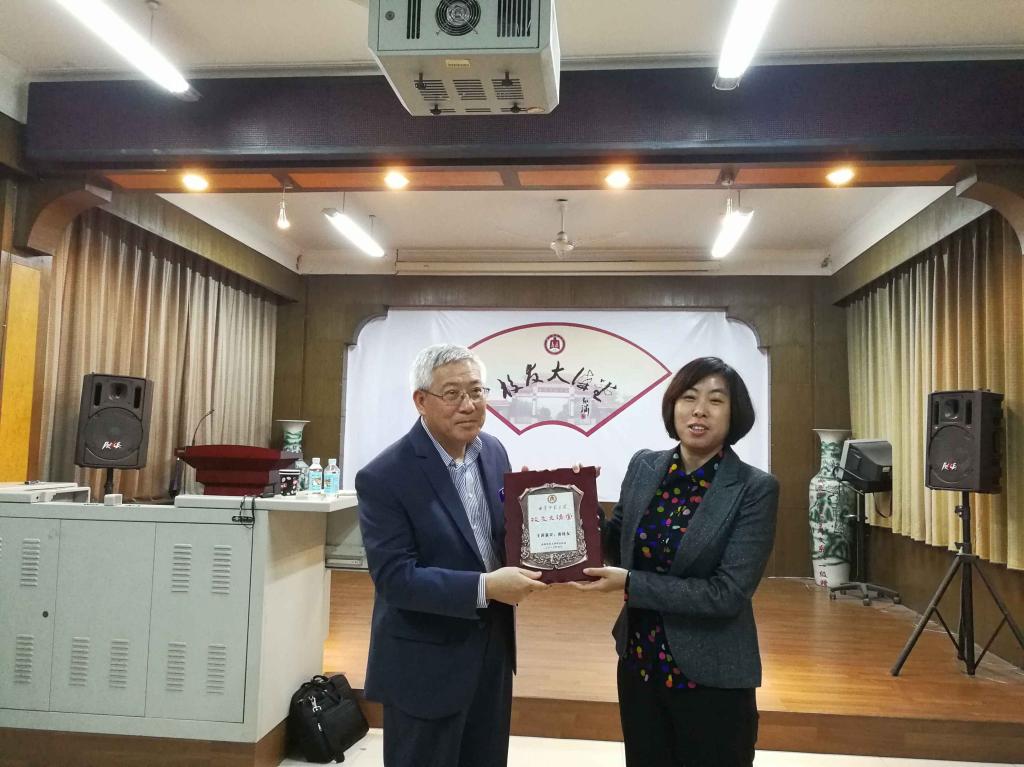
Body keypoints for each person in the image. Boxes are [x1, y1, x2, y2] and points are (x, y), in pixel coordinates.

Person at [574, 356, 779, 767]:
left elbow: (726, 594)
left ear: (734, 413)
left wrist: (631, 584)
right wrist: (578, 503)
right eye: (689, 397)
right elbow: (617, 544)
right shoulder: (644, 465)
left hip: (712, 673)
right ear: (673, 406)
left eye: (715, 400)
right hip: (639, 663)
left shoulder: (754, 488)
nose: (699, 410)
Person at [356, 343, 547, 767]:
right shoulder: (385, 476)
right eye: (453, 393)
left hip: (493, 651)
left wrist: (557, 508)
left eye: (477, 392)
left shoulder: (493, 451)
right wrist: (485, 587)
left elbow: (499, 537)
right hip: (424, 663)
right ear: (421, 401)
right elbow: (395, 578)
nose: (468, 405)